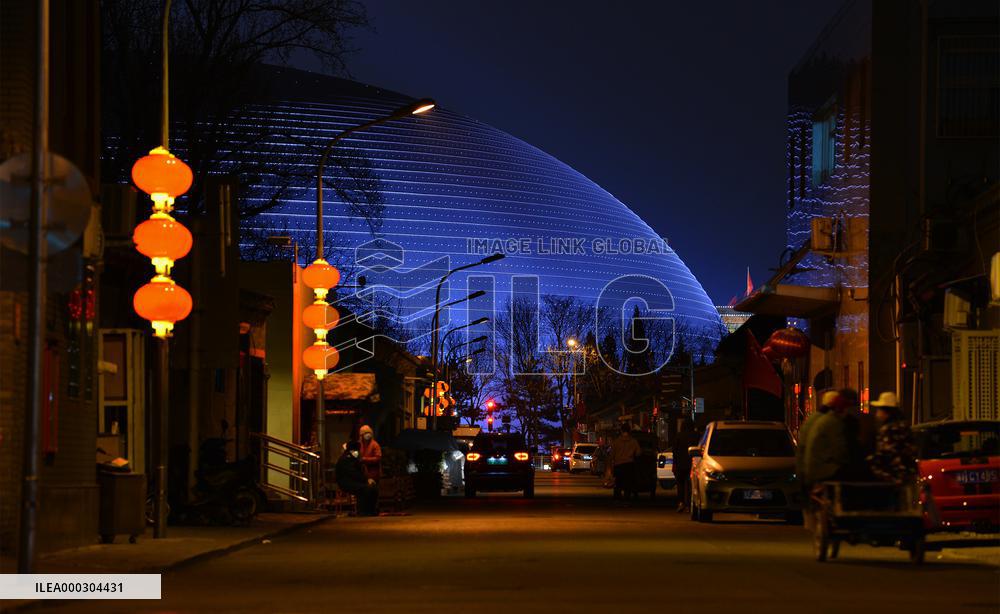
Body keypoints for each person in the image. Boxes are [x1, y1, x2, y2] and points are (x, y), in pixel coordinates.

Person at [803, 390, 852, 486]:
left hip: (813, 469)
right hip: (823, 471)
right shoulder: (832, 422)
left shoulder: (818, 419)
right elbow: (839, 451)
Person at [867, 392, 917, 485]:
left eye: (879, 409)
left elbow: (885, 453)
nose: (877, 413)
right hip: (908, 475)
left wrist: (870, 462)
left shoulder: (888, 429)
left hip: (893, 477)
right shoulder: (904, 426)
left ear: (885, 411)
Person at [335, 440, 379, 516]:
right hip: (346, 482)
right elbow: (353, 473)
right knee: (365, 489)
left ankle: (371, 510)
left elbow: (359, 472)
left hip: (354, 481)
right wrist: (366, 480)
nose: (356, 452)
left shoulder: (354, 458)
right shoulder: (346, 459)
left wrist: (366, 479)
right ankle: (363, 511)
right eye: (354, 450)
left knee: (373, 488)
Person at [671, 417, 699, 513]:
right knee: (691, 485)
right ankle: (689, 504)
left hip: (680, 463)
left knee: (680, 484)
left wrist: (674, 464)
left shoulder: (679, 436)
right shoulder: (696, 436)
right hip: (693, 463)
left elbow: (674, 451)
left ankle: (681, 503)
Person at [609, 423, 641, 500]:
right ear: (629, 431)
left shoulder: (616, 442)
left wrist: (610, 466)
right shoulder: (633, 441)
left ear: (621, 431)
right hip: (629, 465)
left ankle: (617, 499)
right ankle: (627, 499)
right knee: (628, 483)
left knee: (618, 483)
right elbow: (638, 453)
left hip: (618, 465)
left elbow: (611, 455)